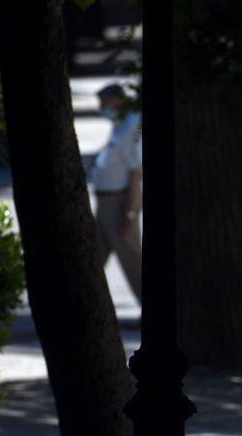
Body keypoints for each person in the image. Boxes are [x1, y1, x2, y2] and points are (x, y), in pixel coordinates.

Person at [90, 82, 142, 304]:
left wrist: (130, 212)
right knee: (93, 257)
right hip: (105, 204)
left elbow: (136, 173)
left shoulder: (131, 127)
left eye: (104, 102)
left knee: (132, 261)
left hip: (118, 204)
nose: (102, 107)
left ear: (117, 101)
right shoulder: (120, 125)